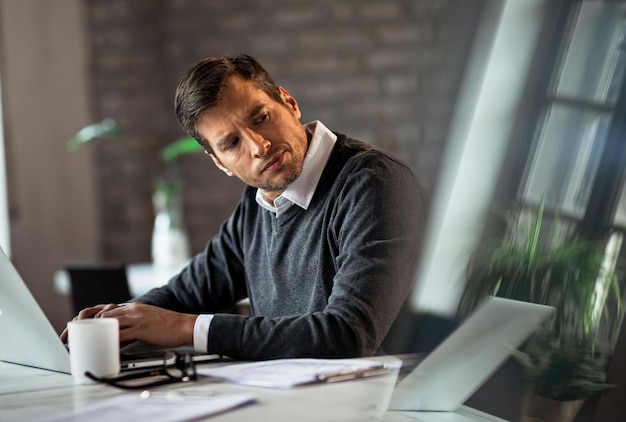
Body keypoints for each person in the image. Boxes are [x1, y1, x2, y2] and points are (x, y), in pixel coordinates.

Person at [62, 54, 427, 360]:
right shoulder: (260, 205)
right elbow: (185, 295)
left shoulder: (374, 182)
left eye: (261, 117)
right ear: (219, 162)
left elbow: (349, 334)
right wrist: (116, 322)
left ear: (289, 102)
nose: (258, 146)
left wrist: (183, 328)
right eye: (232, 142)